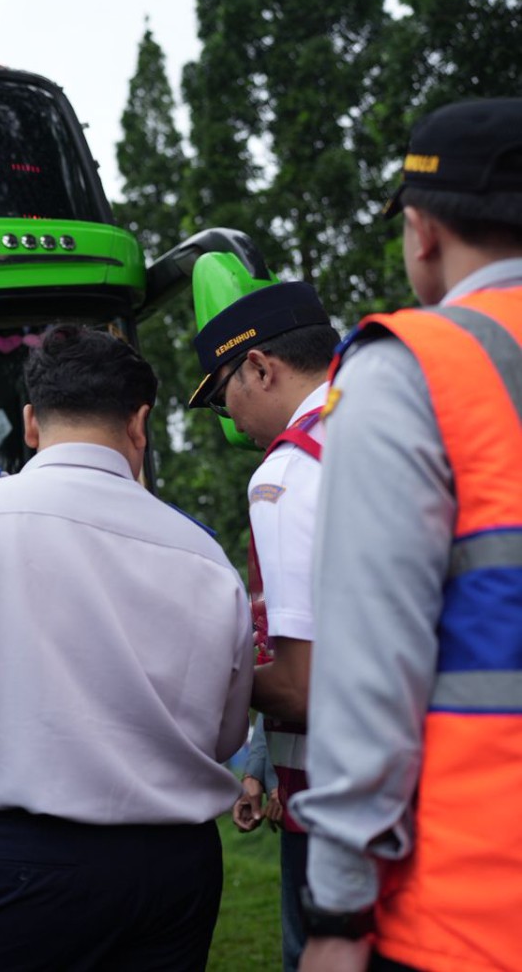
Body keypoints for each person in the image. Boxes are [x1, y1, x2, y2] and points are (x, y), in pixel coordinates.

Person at [0, 325, 253, 970]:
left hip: (18, 861)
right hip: (171, 872)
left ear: (31, 422)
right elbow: (226, 726)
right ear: (140, 423)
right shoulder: (203, 554)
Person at [291, 98, 522, 971]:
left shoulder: (413, 371)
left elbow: (369, 665)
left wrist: (338, 910)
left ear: (421, 232)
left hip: (476, 910)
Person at [187, 281, 340, 971]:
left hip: (334, 801)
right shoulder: (393, 422)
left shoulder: (285, 468)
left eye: (223, 395)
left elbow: (304, 688)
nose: (228, 418)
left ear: (260, 367)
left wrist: (205, 674)